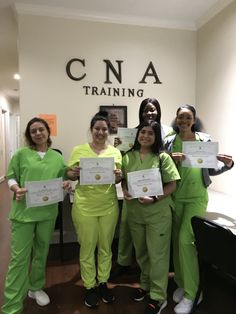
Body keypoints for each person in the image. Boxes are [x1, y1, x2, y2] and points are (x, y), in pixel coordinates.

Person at [164, 105, 234, 314]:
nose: (184, 121)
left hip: (196, 198)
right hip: (175, 198)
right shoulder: (169, 141)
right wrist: (169, 159)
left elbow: (212, 168)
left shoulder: (204, 140)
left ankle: (193, 293)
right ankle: (182, 282)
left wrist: (228, 164)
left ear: (194, 120)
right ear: (176, 120)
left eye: (188, 117)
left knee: (186, 241)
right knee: (177, 243)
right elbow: (160, 168)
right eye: (180, 117)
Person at [1, 117, 71, 314]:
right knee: (19, 259)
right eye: (33, 131)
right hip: (23, 213)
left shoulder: (56, 157)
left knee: (41, 253)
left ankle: (35, 287)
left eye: (41, 129)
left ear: (48, 132)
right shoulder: (21, 154)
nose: (38, 133)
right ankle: (12, 306)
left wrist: (65, 183)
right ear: (29, 135)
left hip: (47, 213)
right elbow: (11, 176)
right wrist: (15, 188)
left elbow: (63, 178)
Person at [121, 120, 180, 314]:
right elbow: (123, 180)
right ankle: (145, 285)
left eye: (150, 133)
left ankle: (158, 296)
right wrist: (125, 191)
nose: (145, 136)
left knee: (158, 255)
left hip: (158, 214)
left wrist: (155, 198)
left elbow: (172, 184)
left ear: (156, 137)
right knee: (142, 252)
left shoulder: (163, 157)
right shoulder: (128, 156)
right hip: (135, 213)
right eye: (142, 132)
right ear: (137, 135)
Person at [110, 97, 172, 279]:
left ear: (159, 111)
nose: (150, 113)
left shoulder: (167, 133)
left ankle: (154, 276)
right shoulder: (130, 134)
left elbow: (164, 161)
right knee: (127, 229)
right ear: (141, 112)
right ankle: (123, 262)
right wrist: (117, 149)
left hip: (158, 192)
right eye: (146, 110)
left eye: (153, 109)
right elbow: (123, 161)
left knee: (154, 242)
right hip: (133, 193)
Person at [66, 111, 122, 309]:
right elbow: (70, 175)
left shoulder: (115, 152)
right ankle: (89, 286)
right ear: (91, 130)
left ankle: (103, 282)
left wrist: (118, 176)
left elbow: (118, 178)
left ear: (109, 131)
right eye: (97, 128)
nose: (100, 132)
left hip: (108, 206)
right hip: (84, 206)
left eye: (104, 129)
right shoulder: (79, 150)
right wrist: (72, 173)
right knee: (87, 247)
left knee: (106, 247)